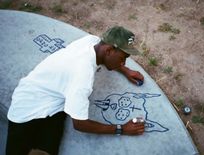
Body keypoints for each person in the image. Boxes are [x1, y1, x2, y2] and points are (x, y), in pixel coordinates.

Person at [6, 26, 145, 155]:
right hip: (26, 112)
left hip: (53, 102)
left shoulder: (92, 41)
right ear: (108, 50)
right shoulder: (82, 76)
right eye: (122, 59)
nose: (123, 63)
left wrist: (125, 70)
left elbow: (107, 54)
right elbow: (80, 124)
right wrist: (121, 129)